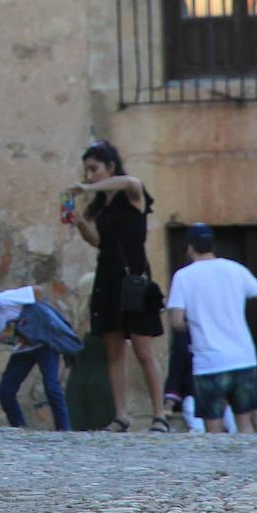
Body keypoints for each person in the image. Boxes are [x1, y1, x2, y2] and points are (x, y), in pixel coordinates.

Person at [65, 140, 168, 433]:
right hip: (107, 279)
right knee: (113, 348)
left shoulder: (132, 196)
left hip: (134, 278)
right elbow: (99, 243)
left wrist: (89, 188)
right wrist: (81, 224)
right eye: (86, 170)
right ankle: (121, 415)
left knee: (143, 348)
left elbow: (132, 181)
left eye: (94, 169)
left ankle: (159, 414)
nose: (89, 175)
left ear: (110, 167)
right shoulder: (102, 207)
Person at [165, 223, 257, 433]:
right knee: (244, 423)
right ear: (212, 244)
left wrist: (195, 322)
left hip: (209, 362)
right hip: (243, 358)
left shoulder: (183, 276)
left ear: (189, 247)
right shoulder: (236, 269)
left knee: (213, 428)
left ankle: (219, 466)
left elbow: (176, 321)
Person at [0, 285, 81, 431]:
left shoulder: (0, 301)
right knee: (5, 391)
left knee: (51, 386)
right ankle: (18, 428)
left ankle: (65, 429)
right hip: (23, 349)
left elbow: (37, 291)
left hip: (43, 342)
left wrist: (30, 324)